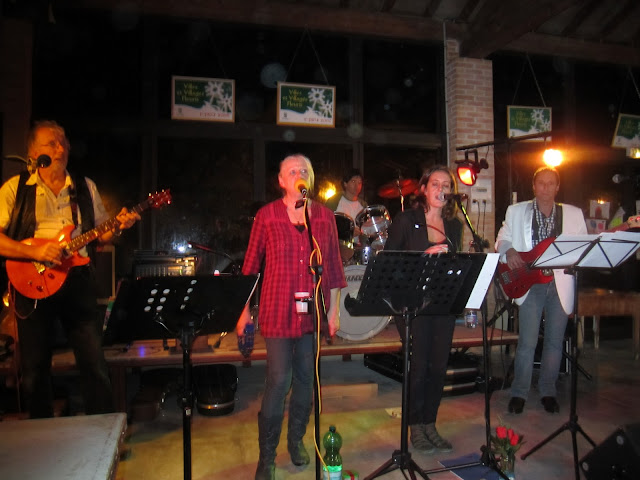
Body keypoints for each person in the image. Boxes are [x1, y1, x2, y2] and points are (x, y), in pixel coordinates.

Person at [0, 120, 140, 418]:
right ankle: (42, 435)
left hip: (78, 280)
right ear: (33, 152)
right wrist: (34, 251)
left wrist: (119, 225)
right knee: (34, 368)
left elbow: (101, 233)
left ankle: (101, 431)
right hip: (31, 282)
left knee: (93, 362)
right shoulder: (15, 189)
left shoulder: (84, 187)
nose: (60, 148)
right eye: (51, 143)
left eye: (63, 141)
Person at [236, 154, 346, 480]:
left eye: (305, 170)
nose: (300, 174)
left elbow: (334, 267)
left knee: (306, 382)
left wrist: (334, 310)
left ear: (310, 179)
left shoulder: (323, 217)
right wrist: (243, 312)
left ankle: (296, 441)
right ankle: (266, 457)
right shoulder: (267, 216)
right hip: (276, 310)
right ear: (282, 181)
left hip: (310, 313)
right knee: (279, 379)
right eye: (292, 170)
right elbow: (250, 267)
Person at [384, 164, 463, 453]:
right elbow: (389, 263)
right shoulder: (406, 220)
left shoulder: (455, 225)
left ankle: (430, 423)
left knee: (438, 367)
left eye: (446, 185)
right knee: (418, 368)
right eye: (435, 184)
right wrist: (423, 258)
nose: (441, 189)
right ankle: (415, 426)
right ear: (424, 189)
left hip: (442, 303)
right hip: (412, 304)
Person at [495, 166, 587, 415]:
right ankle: (519, 393)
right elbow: (502, 238)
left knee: (555, 343)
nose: (546, 188)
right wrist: (509, 251)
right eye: (541, 183)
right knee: (527, 342)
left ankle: (548, 391)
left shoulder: (573, 214)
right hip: (530, 284)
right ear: (534, 186)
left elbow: (583, 248)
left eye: (551, 183)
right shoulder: (516, 211)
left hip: (560, 284)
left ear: (558, 187)